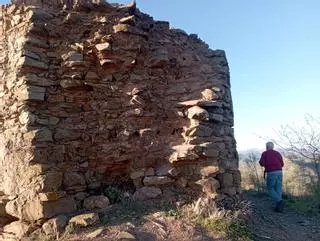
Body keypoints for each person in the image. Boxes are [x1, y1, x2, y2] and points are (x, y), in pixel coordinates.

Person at [259, 141, 284, 212]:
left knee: (270, 188)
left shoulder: (265, 153)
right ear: (273, 147)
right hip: (280, 172)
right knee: (278, 188)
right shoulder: (277, 153)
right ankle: (278, 207)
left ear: (266, 147)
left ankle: (279, 201)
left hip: (271, 172)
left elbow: (261, 163)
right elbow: (282, 164)